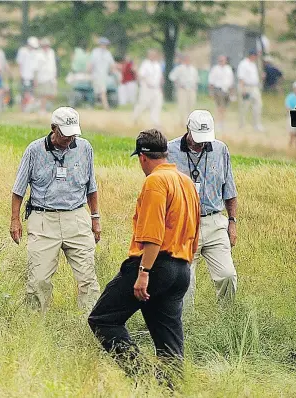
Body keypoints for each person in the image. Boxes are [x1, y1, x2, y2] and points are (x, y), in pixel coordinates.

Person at [88, 129, 200, 386]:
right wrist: (184, 266)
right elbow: (195, 230)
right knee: (169, 342)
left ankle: (144, 378)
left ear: (142, 157)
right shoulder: (186, 182)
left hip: (154, 265)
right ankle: (172, 388)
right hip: (181, 267)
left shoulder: (155, 182)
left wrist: (143, 272)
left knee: (103, 319)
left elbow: (152, 233)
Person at [11, 107, 102, 313]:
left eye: (73, 134)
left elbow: (92, 187)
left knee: (88, 277)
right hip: (43, 218)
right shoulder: (34, 150)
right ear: (53, 129)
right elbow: (18, 190)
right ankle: (34, 326)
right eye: (65, 134)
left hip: (77, 217)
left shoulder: (85, 148)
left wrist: (95, 218)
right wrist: (15, 220)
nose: (70, 139)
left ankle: (92, 323)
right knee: (39, 279)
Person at [167, 110, 238, 309]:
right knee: (185, 281)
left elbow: (229, 190)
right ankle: (183, 325)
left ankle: (227, 318)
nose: (201, 144)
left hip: (215, 222)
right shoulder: (170, 151)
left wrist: (232, 222)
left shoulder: (220, 149)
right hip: (184, 223)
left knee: (227, 275)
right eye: (198, 139)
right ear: (188, 129)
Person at [133, 49, 163, 128]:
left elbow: (160, 76)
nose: (153, 57)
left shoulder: (157, 65)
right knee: (143, 104)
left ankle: (155, 121)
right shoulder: (145, 64)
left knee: (157, 104)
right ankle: (135, 117)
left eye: (154, 55)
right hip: (146, 88)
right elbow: (141, 75)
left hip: (156, 88)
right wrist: (147, 82)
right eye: (151, 55)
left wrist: (160, 85)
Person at [237, 50, 264, 132]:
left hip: (254, 87)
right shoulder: (243, 64)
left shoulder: (253, 64)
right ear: (252, 55)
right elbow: (241, 77)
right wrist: (243, 89)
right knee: (244, 106)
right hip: (246, 87)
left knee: (258, 105)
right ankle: (242, 124)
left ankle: (256, 124)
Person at [169, 54, 199, 126]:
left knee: (191, 105)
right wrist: (178, 84)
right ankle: (182, 121)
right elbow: (172, 77)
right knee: (182, 105)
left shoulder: (193, 69)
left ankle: (190, 122)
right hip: (182, 89)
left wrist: (195, 86)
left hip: (191, 89)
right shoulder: (179, 68)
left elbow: (196, 79)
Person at [208, 55, 234, 132]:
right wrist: (211, 92)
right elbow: (211, 81)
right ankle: (218, 123)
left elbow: (231, 81)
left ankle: (222, 122)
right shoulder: (215, 69)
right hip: (218, 90)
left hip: (226, 90)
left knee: (224, 108)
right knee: (220, 107)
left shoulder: (228, 69)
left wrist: (232, 92)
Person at [88, 37, 115, 110]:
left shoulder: (108, 53)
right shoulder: (95, 52)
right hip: (95, 75)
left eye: (105, 44)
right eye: (103, 44)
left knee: (102, 91)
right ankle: (98, 105)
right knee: (97, 91)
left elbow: (112, 64)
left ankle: (105, 106)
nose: (104, 46)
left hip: (103, 76)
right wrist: (89, 71)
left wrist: (112, 71)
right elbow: (91, 63)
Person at [16, 37, 40, 112]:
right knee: (24, 92)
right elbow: (20, 63)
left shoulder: (35, 53)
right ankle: (22, 108)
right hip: (24, 76)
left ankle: (28, 107)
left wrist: (36, 78)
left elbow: (36, 67)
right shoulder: (22, 51)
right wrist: (20, 74)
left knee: (31, 92)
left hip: (32, 76)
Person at [35, 37, 57, 114]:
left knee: (51, 94)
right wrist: (36, 79)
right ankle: (42, 109)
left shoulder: (51, 52)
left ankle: (44, 106)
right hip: (42, 77)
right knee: (43, 94)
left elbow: (53, 65)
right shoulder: (38, 54)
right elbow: (36, 67)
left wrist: (54, 76)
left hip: (51, 76)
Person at [285, 82, 296, 148]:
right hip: (293, 114)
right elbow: (288, 107)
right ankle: (290, 145)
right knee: (292, 132)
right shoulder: (290, 97)